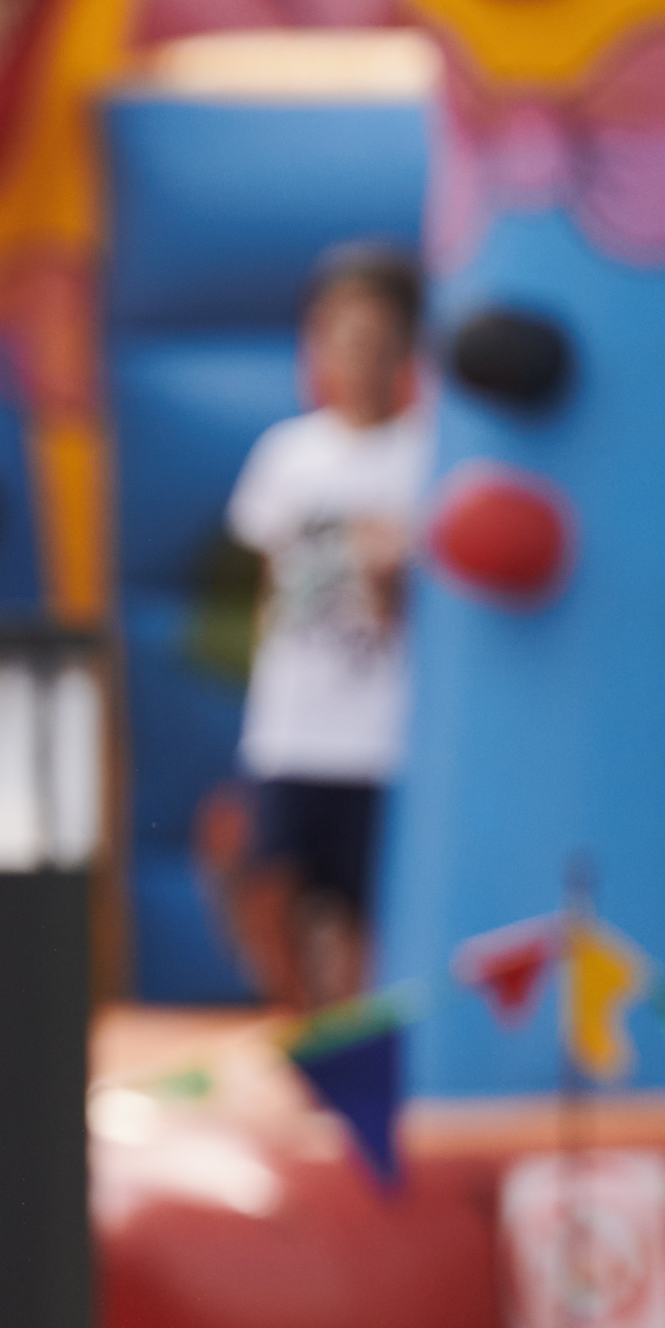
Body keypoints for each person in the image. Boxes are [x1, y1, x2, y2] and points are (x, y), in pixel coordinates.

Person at [217, 241, 433, 1012]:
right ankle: (295, 1025)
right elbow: (262, 585)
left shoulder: (425, 459)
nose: (356, 361)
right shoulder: (289, 455)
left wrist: (394, 580)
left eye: (375, 343)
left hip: (379, 734)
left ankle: (356, 1039)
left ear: (406, 349)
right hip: (294, 725)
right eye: (341, 340)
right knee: (272, 890)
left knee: (361, 905)